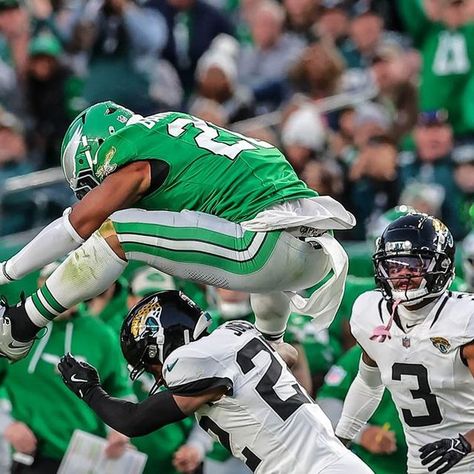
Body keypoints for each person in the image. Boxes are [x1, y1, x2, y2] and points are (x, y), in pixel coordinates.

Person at [0, 100, 355, 362]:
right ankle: (270, 343)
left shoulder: (131, 150)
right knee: (249, 224)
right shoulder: (175, 132)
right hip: (313, 247)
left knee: (116, 230)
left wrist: (8, 271)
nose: (99, 195)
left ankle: (22, 324)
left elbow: (77, 224)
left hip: (264, 247)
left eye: (92, 186)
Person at [58, 290, 373, 473]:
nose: (158, 374)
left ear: (164, 343)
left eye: (151, 364)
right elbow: (288, 352)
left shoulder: (192, 361)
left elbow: (135, 421)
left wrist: (90, 390)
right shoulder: (236, 334)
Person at [335, 213, 474, 473]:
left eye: (414, 265)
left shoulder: (464, 320)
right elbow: (368, 382)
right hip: (422, 464)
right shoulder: (370, 311)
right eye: (394, 265)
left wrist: (466, 442)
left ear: (441, 266)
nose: (402, 274)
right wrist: (341, 438)